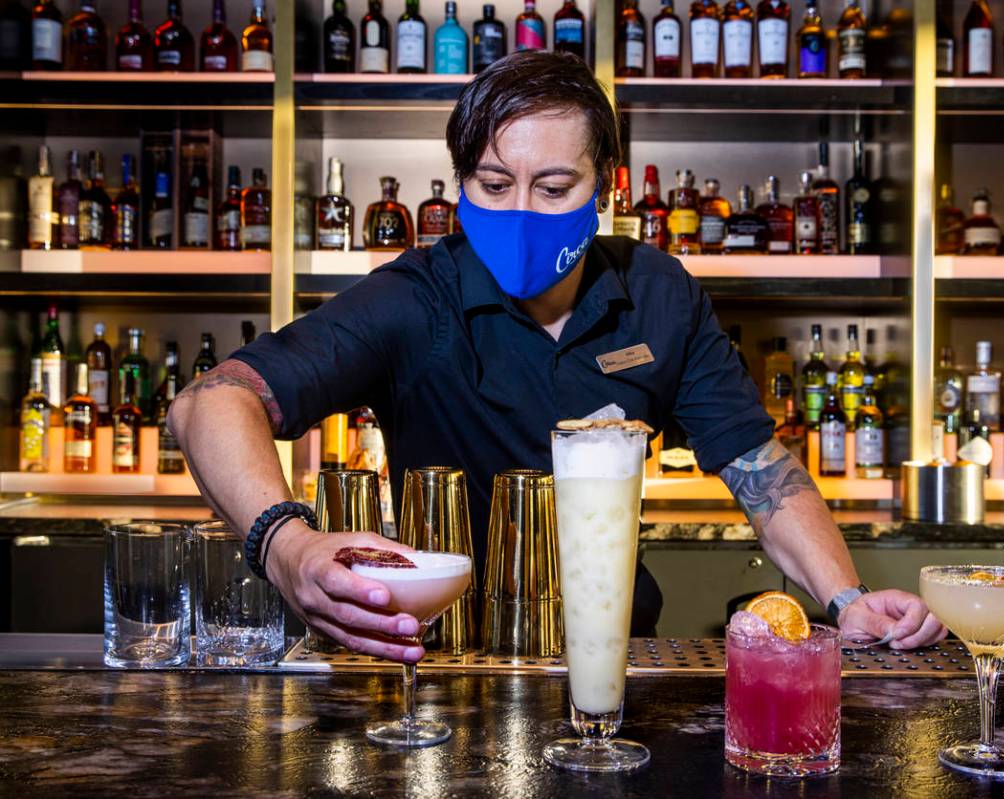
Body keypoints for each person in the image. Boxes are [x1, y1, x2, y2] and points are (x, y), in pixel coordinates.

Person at [169, 51, 945, 664]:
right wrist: (287, 545)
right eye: (494, 183)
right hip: (441, 660)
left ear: (602, 185)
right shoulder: (416, 296)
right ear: (462, 182)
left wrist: (847, 600)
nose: (519, 214)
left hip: (618, 656)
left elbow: (761, 473)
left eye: (552, 187)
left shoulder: (658, 293)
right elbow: (208, 403)